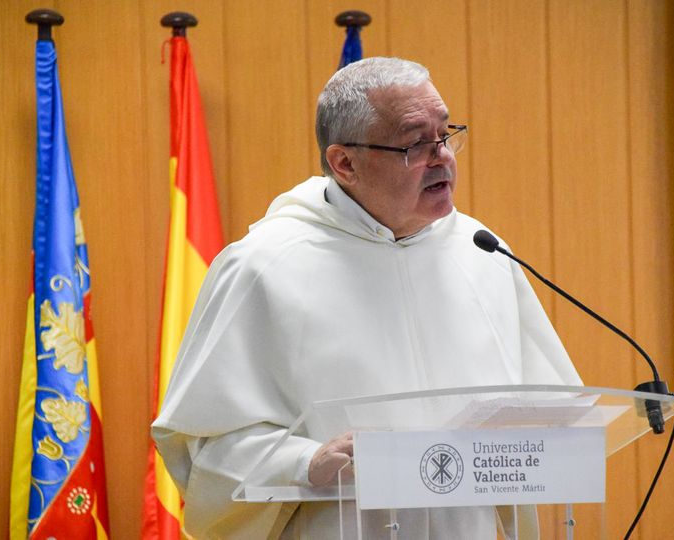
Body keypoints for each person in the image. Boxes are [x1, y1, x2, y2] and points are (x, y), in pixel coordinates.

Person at [152, 56, 582, 539]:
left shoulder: (482, 252)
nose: (442, 156)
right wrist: (304, 462)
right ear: (345, 163)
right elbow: (204, 452)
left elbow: (549, 417)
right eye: (415, 143)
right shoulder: (262, 266)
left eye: (445, 134)